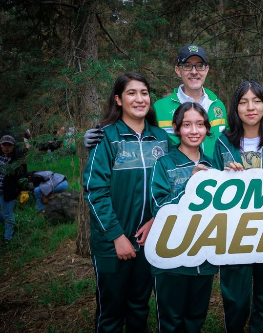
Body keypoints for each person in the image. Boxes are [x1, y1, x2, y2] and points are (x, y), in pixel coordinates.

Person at [83, 72, 171, 332]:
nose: (140, 98)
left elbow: (172, 185)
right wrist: (117, 236)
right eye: (132, 93)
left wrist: (157, 221)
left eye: (144, 93)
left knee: (139, 308)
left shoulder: (161, 139)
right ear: (118, 99)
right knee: (111, 313)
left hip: (149, 239)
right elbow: (94, 190)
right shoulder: (106, 137)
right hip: (112, 242)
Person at [213, 81, 263, 333]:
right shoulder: (223, 142)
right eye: (243, 101)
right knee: (236, 299)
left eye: (257, 101)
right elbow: (211, 186)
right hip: (233, 232)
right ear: (235, 107)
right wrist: (225, 175)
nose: (250, 107)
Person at [85, 44, 227, 158]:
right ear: (178, 70)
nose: (194, 71)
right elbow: (135, 134)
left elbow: (228, 143)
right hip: (173, 182)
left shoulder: (218, 106)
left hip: (212, 182)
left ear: (206, 69)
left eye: (200, 65)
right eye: (187, 66)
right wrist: (101, 139)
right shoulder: (160, 107)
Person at [149, 102, 218, 332]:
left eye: (200, 124)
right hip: (172, 258)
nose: (194, 130)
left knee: (195, 318)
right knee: (171, 321)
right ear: (177, 128)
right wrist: (190, 185)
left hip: (204, 257)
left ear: (207, 128)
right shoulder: (164, 163)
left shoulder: (212, 165)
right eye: (187, 125)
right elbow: (158, 207)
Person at [0, 135, 27, 244]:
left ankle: (8, 238)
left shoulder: (18, 160)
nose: (6, 147)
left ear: (13, 146)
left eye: (9, 145)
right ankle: (11, 226)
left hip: (8, 192)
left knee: (8, 214)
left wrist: (21, 191)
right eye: (4, 144)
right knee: (6, 217)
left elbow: (23, 177)